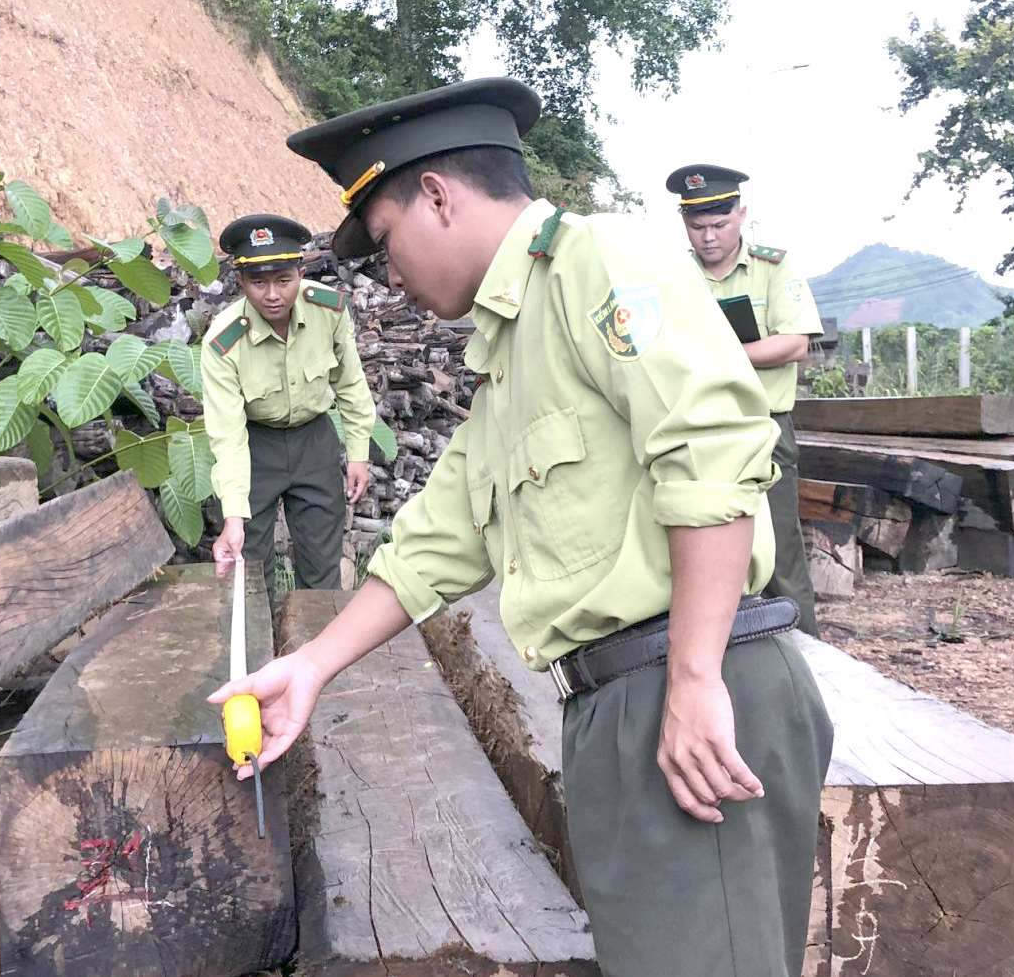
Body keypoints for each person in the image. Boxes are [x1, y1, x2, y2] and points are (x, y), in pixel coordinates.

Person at [209, 79, 833, 977]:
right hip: (619, 699)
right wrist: (308, 666)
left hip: (695, 682)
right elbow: (439, 536)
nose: (389, 274)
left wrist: (696, 675)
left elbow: (710, 455)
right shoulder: (512, 346)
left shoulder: (599, 261)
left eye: (384, 244)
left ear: (437, 196)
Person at [667, 164, 825, 636]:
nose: (708, 238)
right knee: (701, 550)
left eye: (719, 224)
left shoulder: (774, 268)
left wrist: (721, 355)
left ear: (742, 214)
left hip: (764, 426)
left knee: (779, 553)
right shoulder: (674, 274)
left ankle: (808, 655)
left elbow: (795, 342)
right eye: (697, 227)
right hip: (697, 427)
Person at [202, 214, 376, 590]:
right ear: (240, 282)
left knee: (322, 567)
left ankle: (318, 647)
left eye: (284, 279)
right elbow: (227, 434)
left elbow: (350, 383)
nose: (272, 295)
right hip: (254, 449)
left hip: (314, 443)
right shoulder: (224, 341)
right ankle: (257, 648)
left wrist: (358, 452)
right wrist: (233, 515)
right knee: (250, 571)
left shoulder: (327, 310)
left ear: (300, 273)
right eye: (258, 282)